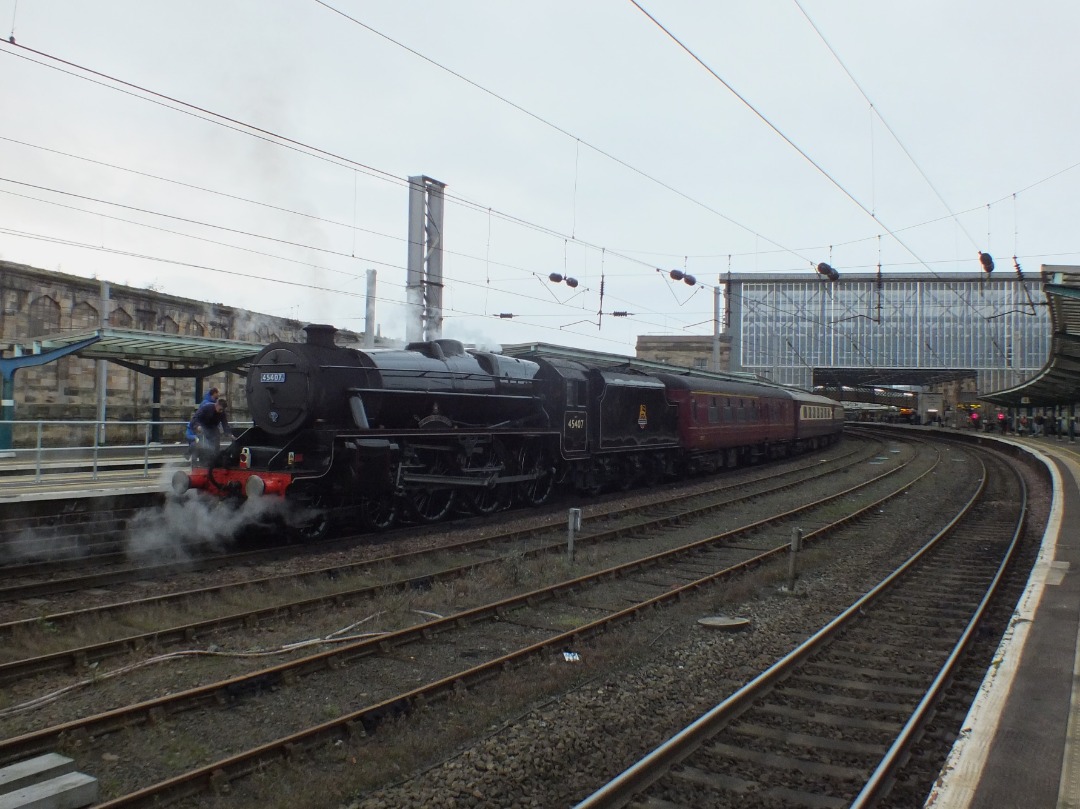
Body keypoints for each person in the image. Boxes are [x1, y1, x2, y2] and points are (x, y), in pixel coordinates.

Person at [189, 397, 231, 463]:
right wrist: (197, 426)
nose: (221, 411)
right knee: (200, 445)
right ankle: (197, 461)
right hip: (202, 427)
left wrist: (229, 433)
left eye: (222, 410)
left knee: (216, 443)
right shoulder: (206, 408)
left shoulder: (222, 413)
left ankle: (214, 460)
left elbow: (225, 423)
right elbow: (195, 418)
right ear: (216, 405)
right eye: (220, 409)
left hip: (213, 428)